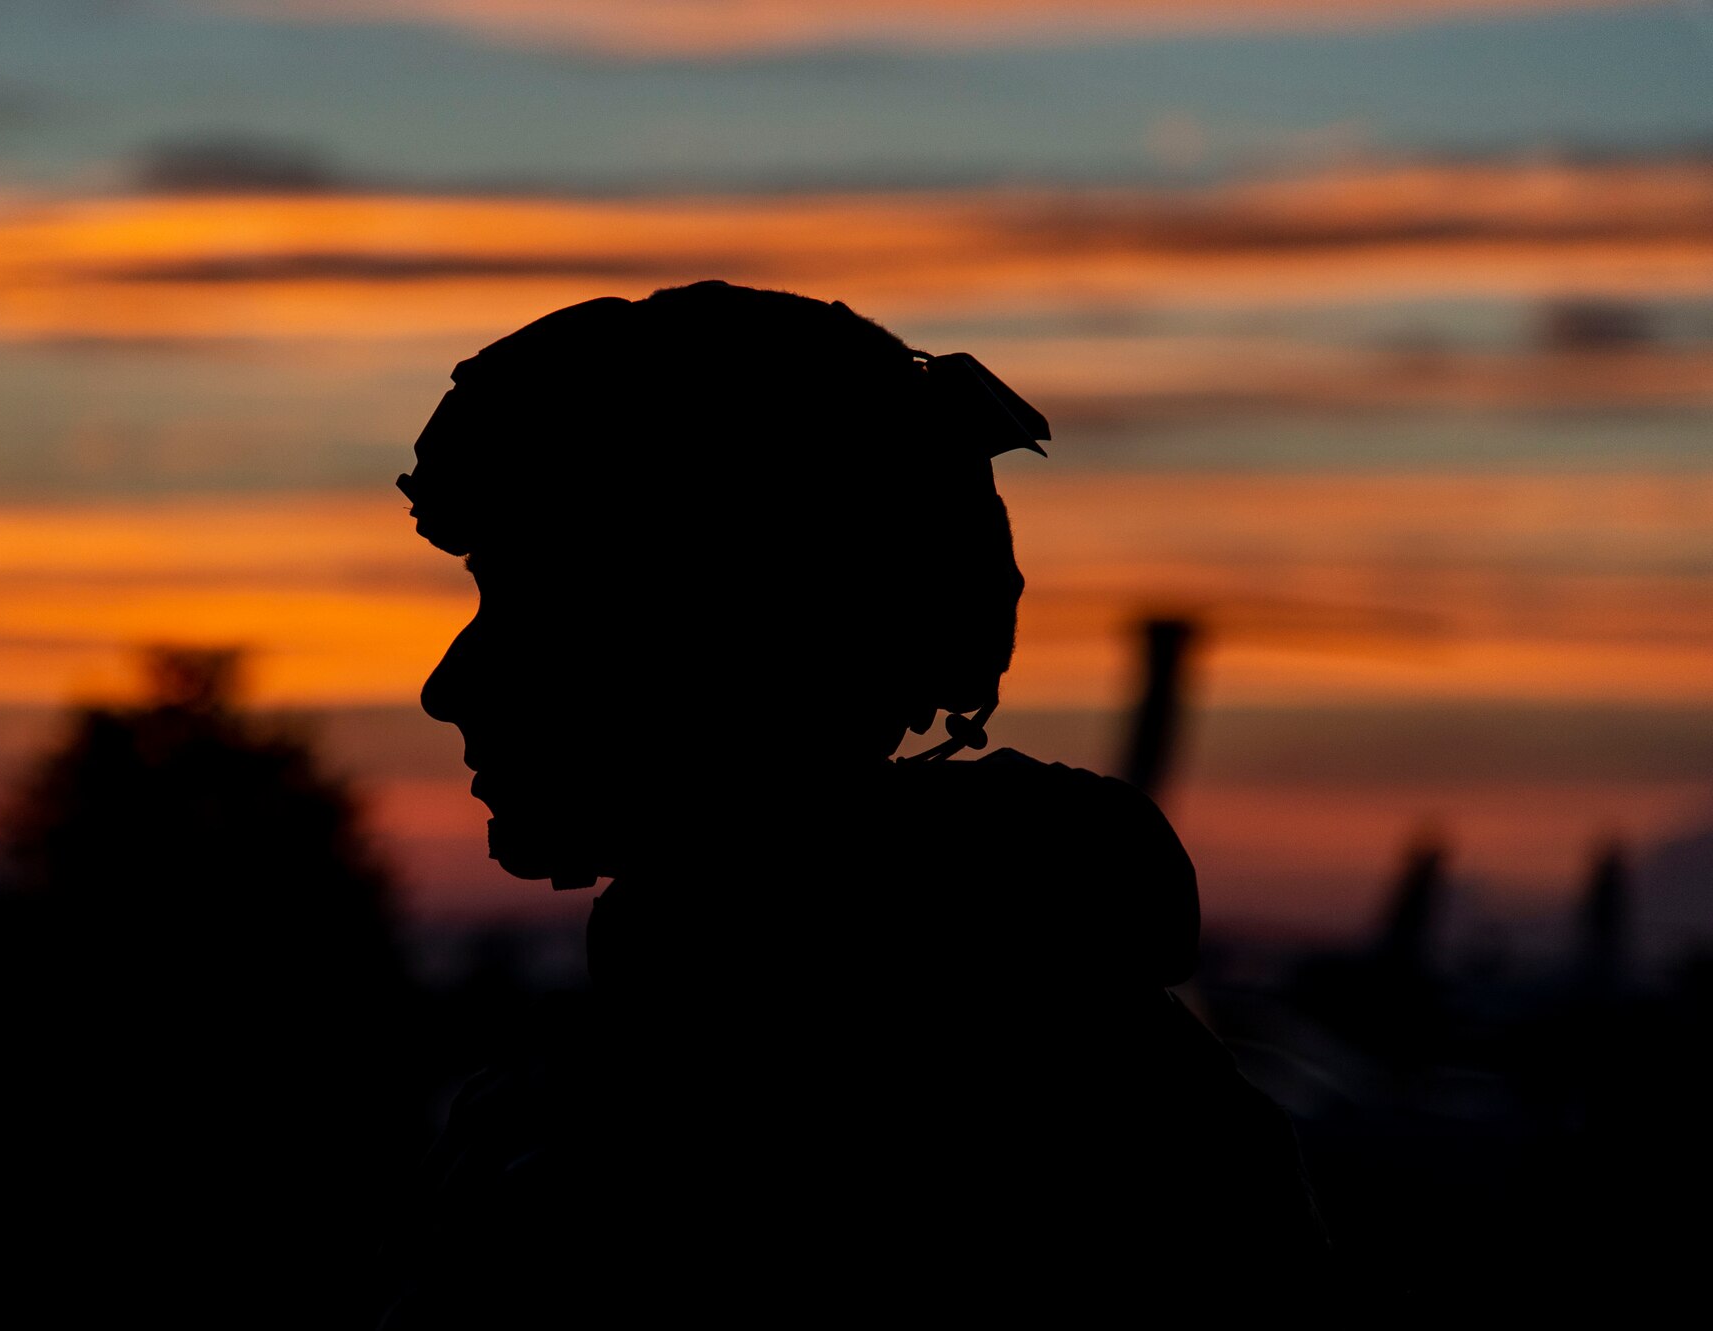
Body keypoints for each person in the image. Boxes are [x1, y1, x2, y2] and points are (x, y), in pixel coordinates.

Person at [379, 281, 1325, 1326]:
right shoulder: (648, 1074)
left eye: (532, 599)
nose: (449, 684)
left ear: (734, 630)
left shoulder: (959, 1125)